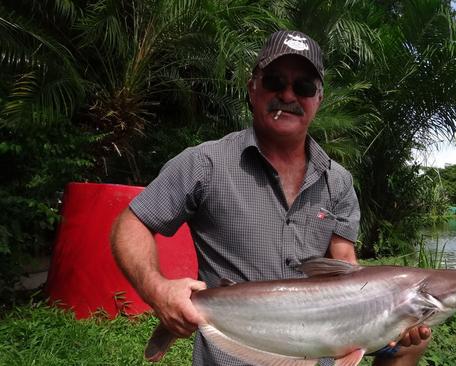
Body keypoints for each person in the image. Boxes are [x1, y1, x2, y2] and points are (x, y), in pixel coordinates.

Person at [110, 30, 430, 366]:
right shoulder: (204, 164)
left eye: (304, 86)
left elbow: (345, 263)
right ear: (253, 87)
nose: (288, 94)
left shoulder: (338, 181)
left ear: (318, 98)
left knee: (410, 347)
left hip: (315, 354)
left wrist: (391, 313)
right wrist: (157, 290)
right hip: (232, 352)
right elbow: (131, 224)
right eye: (275, 81)